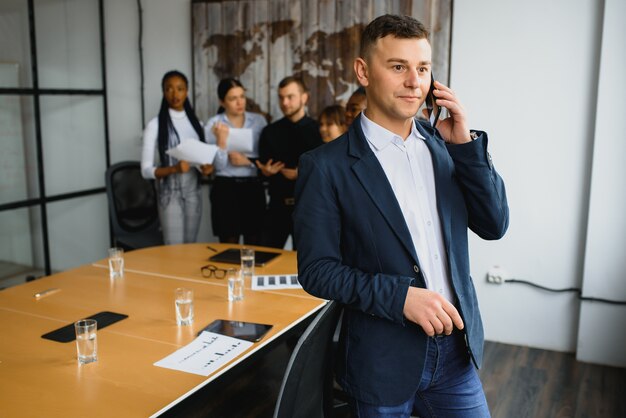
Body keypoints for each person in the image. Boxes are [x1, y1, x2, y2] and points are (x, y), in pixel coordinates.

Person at [294, 14, 509, 418]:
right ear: (363, 71)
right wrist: (400, 297)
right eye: (398, 67)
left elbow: (494, 224)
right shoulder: (324, 166)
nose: (415, 82)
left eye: (423, 68)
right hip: (381, 362)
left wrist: (465, 144)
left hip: (456, 353)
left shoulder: (448, 145)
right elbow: (317, 270)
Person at [141, 70, 213, 245]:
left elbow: (202, 160)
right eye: (169, 89)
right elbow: (145, 171)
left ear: (187, 91)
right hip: (170, 193)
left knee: (190, 245)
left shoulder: (197, 124)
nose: (175, 94)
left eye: (180, 89)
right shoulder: (155, 124)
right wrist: (174, 169)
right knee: (174, 248)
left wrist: (206, 169)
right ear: (164, 92)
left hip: (193, 191)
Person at [256, 76, 323, 249]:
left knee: (307, 265)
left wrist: (303, 174)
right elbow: (260, 171)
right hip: (276, 206)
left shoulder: (319, 131)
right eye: (281, 97)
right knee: (264, 257)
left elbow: (329, 171)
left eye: (290, 97)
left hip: (309, 208)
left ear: (304, 97)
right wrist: (265, 172)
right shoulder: (269, 132)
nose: (284, 102)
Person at [205, 78, 267, 244]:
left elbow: (267, 156)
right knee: (228, 244)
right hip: (225, 187)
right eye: (233, 99)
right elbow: (216, 166)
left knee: (255, 243)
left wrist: (248, 161)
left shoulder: (259, 122)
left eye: (242, 96)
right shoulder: (213, 124)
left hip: (253, 186)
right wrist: (222, 142)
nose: (240, 102)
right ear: (222, 102)